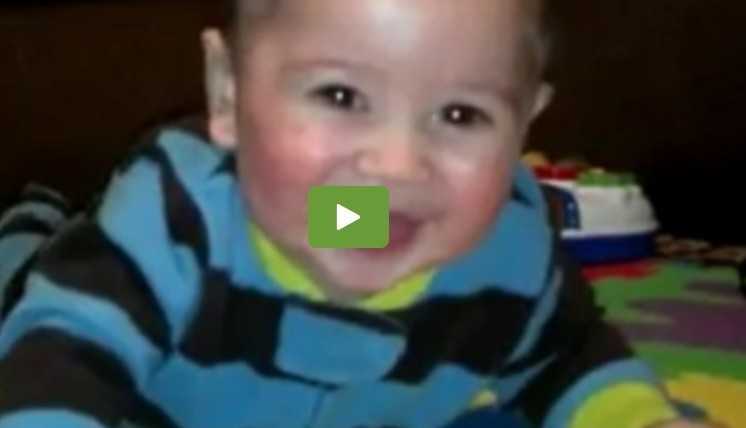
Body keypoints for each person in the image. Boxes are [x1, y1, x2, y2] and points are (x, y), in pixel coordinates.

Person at [0, 0, 722, 427]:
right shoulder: (176, 221)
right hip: (93, 303)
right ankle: (33, 219)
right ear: (228, 93)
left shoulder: (502, 254)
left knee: (354, 217)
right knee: (29, 269)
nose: (398, 165)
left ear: (525, 124)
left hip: (333, 219)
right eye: (341, 97)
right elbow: (62, 353)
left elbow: (570, 358)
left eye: (461, 114)